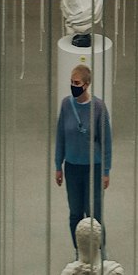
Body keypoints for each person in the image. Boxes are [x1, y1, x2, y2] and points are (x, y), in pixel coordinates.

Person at [54, 65, 112, 253]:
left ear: (86, 85)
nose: (73, 86)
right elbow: (60, 137)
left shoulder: (98, 108)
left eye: (77, 83)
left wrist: (105, 171)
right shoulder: (65, 105)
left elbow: (106, 142)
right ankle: (80, 250)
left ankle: (99, 251)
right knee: (75, 213)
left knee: (94, 214)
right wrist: (58, 165)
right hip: (72, 168)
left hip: (93, 168)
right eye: (71, 82)